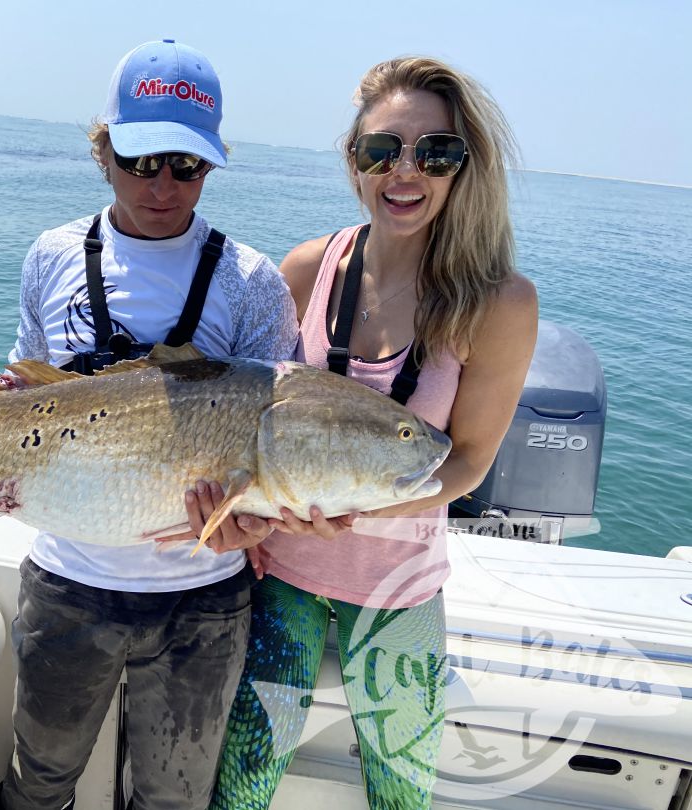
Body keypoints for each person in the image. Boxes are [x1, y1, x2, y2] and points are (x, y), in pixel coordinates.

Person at [0, 40, 298, 810]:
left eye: (186, 165)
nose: (163, 184)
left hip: (204, 604)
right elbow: (22, 397)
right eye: (140, 159)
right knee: (39, 787)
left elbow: (273, 443)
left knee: (174, 802)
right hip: (68, 584)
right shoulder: (52, 255)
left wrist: (253, 529)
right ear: (104, 149)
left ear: (212, 164)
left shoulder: (254, 282)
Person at [193, 56, 539, 809]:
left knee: (401, 791)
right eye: (380, 151)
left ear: (463, 165)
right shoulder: (309, 269)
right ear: (355, 162)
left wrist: (359, 511)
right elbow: (254, 423)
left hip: (398, 593)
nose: (404, 171)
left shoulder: (500, 302)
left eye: (435, 152)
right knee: (244, 784)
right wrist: (246, 523)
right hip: (279, 582)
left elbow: (470, 461)